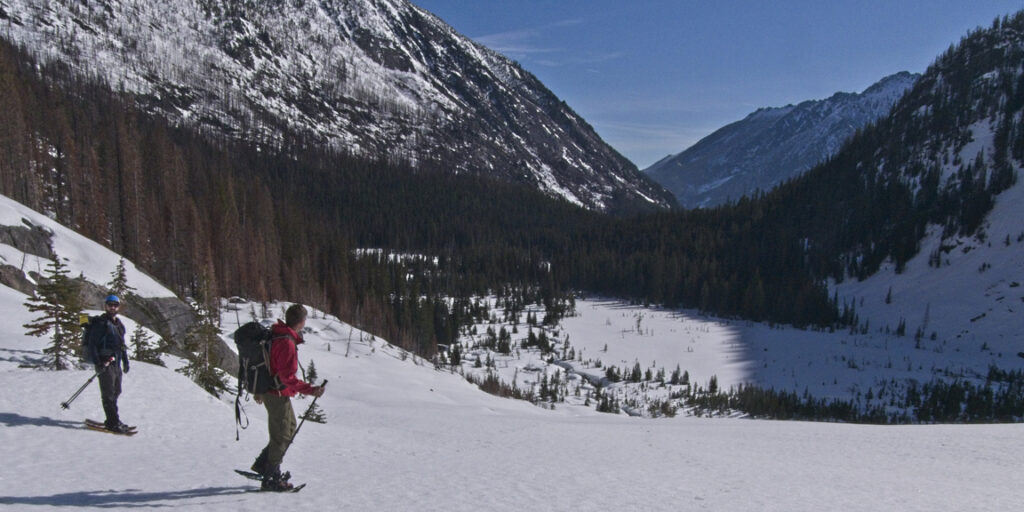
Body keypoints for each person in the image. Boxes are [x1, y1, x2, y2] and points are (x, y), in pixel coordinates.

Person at [250, 304, 325, 491]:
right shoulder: (286, 342)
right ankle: (271, 478)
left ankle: (264, 464)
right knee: (282, 435)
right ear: (301, 322)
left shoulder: (278, 334)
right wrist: (310, 390)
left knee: (289, 427)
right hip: (275, 393)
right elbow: (287, 377)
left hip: (274, 391)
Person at [85, 294, 131, 433]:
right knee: (108, 394)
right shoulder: (100, 323)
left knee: (117, 391)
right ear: (105, 306)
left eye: (115, 305)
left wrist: (125, 361)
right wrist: (98, 362)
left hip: (115, 363)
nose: (112, 307)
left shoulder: (119, 324)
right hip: (105, 363)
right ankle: (112, 422)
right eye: (110, 305)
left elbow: (121, 345)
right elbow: (92, 345)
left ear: (118, 307)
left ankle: (113, 419)